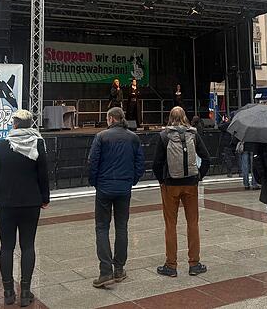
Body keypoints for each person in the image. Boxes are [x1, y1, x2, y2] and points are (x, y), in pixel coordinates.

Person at [0, 110, 50, 307]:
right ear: (31, 125)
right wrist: (44, 198)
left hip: (5, 203)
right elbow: (43, 175)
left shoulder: (2, 145)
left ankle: (7, 293)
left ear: (13, 124)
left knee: (6, 247)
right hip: (31, 203)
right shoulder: (38, 143)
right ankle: (25, 292)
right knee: (28, 246)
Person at [88, 107, 145, 288]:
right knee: (122, 227)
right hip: (124, 188)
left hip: (104, 187)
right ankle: (119, 269)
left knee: (101, 227)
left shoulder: (101, 137)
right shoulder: (133, 138)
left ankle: (105, 271)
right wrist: (131, 181)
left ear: (111, 119)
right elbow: (140, 164)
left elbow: (92, 162)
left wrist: (95, 182)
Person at [153, 107, 210, 278]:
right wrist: (199, 176)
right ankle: (194, 263)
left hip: (170, 184)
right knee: (193, 223)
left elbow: (156, 163)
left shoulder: (164, 136)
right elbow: (206, 158)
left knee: (170, 225)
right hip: (191, 184)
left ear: (170, 118)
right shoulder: (193, 134)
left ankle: (171, 265)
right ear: (185, 117)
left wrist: (162, 181)